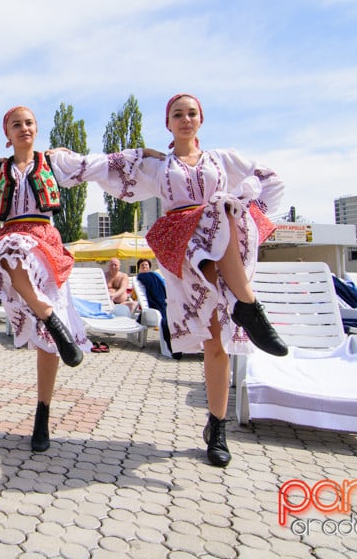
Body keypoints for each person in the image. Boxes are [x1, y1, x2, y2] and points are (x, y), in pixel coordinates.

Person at [0, 105, 165, 452]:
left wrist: (142, 153)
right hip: (12, 242)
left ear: (36, 129)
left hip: (46, 247)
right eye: (15, 124)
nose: (23, 128)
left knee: (48, 342)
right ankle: (47, 312)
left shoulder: (55, 163)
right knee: (12, 247)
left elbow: (99, 163)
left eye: (28, 123)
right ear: (6, 134)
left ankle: (43, 412)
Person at [92, 93, 287, 468]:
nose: (185, 119)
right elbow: (109, 170)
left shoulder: (223, 160)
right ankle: (249, 306)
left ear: (201, 119)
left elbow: (270, 180)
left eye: (191, 113)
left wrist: (252, 215)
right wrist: (134, 154)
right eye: (177, 114)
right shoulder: (158, 166)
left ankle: (217, 426)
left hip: (223, 247)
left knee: (218, 344)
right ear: (168, 123)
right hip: (181, 244)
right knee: (218, 209)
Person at [135, 258, 177, 360]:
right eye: (142, 265)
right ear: (139, 268)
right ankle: (173, 346)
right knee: (166, 319)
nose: (144, 267)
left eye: (146, 265)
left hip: (164, 301)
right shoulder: (141, 277)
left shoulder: (155, 276)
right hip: (156, 306)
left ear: (149, 267)